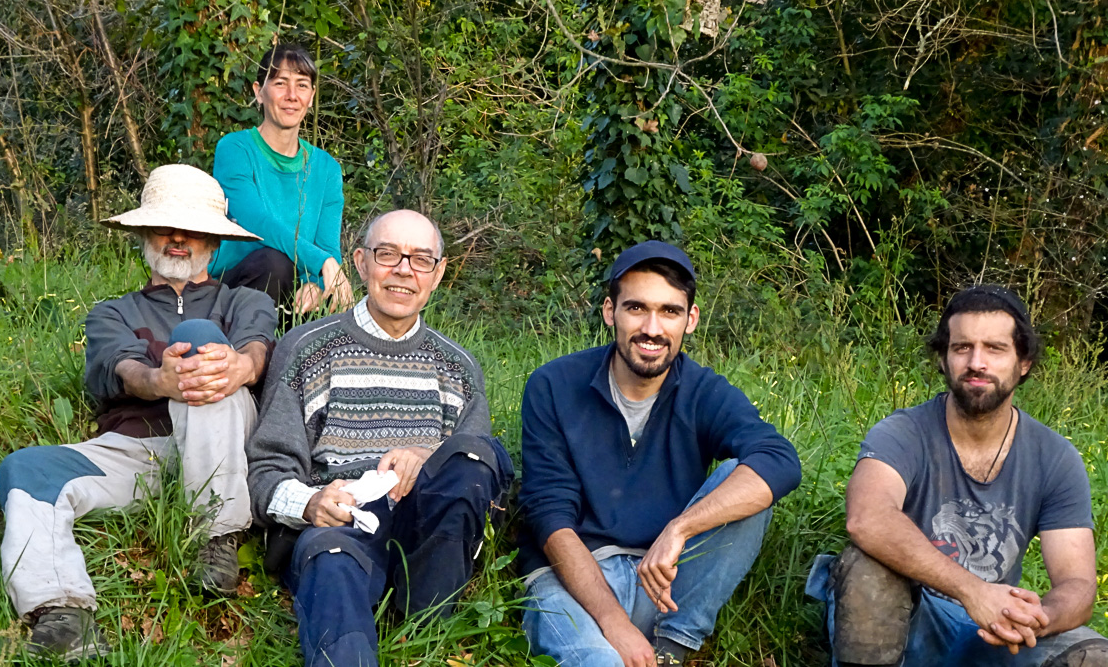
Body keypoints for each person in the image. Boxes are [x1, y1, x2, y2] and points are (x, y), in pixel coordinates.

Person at [0, 164, 277, 662]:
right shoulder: (112, 312)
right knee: (27, 468)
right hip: (138, 451)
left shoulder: (245, 300)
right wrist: (157, 381)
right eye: (165, 227)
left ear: (213, 242)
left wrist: (241, 366)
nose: (177, 239)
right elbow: (120, 367)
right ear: (145, 234)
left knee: (202, 343)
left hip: (225, 447)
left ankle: (216, 534)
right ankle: (63, 613)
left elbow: (256, 347)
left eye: (191, 230)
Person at [246, 209, 513, 667]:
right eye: (388, 254)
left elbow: (477, 476)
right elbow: (266, 469)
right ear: (361, 262)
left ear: (438, 274)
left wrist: (427, 456)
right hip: (341, 524)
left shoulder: (459, 367)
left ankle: (426, 626)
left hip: (426, 533)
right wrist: (310, 504)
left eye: (421, 259)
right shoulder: (307, 349)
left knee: (474, 454)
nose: (404, 270)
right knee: (330, 556)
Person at [518, 241, 803, 667]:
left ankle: (671, 650)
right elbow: (548, 516)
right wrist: (614, 623)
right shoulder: (554, 385)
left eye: (670, 311)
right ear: (610, 311)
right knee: (601, 663)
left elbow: (779, 460)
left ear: (691, 319)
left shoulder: (703, 391)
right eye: (636, 308)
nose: (652, 328)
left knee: (743, 478)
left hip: (663, 581)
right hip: (573, 581)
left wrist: (680, 529)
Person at [806, 285, 1108, 666]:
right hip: (910, 620)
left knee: (1093, 657)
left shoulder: (1055, 457)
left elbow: (1077, 584)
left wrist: (1036, 618)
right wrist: (973, 592)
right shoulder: (903, 432)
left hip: (994, 630)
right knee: (867, 570)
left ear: (1024, 362)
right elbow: (867, 518)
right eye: (962, 347)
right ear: (944, 359)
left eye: (995, 349)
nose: (976, 362)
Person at [210, 43, 354, 315]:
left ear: (311, 96)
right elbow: (256, 223)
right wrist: (321, 262)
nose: (292, 95)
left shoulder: (327, 169)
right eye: (280, 83)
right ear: (259, 92)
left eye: (302, 85)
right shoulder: (235, 149)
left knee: (332, 294)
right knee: (275, 263)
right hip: (237, 287)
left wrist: (316, 284)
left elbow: (328, 247)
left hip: (295, 296)